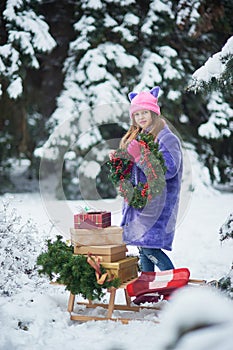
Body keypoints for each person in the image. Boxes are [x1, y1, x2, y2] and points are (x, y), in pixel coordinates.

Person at [109, 86, 183, 272]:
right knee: (143, 248)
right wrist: (121, 161)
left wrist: (140, 155)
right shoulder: (140, 136)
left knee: (151, 249)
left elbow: (169, 169)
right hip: (140, 204)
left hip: (158, 205)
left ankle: (175, 287)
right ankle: (148, 291)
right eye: (137, 114)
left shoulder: (166, 137)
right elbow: (136, 169)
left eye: (145, 113)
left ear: (154, 113)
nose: (141, 117)